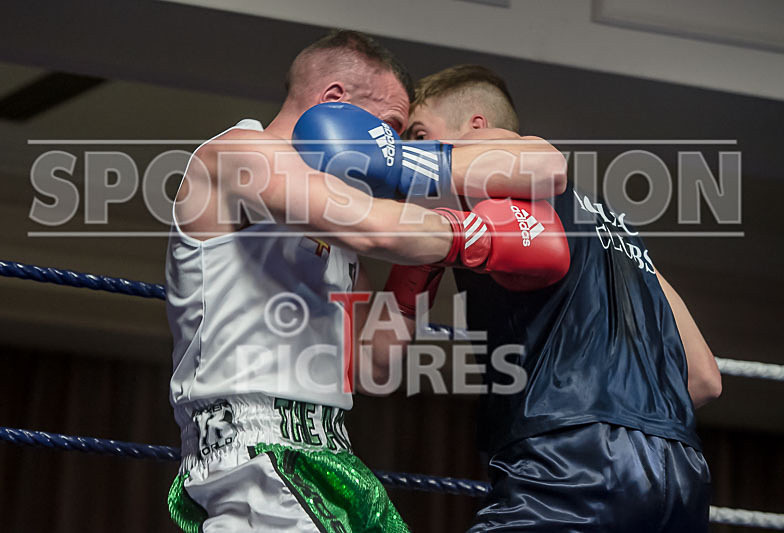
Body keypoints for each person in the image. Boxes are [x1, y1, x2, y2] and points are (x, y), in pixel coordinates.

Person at [165, 31, 566, 532]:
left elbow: (375, 360)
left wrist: (422, 269)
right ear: (335, 102)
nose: (394, 149)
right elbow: (373, 228)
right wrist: (473, 233)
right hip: (256, 453)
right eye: (390, 129)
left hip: (328, 452)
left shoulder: (336, 228)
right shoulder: (239, 153)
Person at [388, 64, 723, 531]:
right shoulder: (620, 232)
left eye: (421, 135)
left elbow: (380, 358)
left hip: (569, 460)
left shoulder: (489, 186)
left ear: (477, 129)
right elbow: (705, 378)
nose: (412, 151)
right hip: (681, 474)